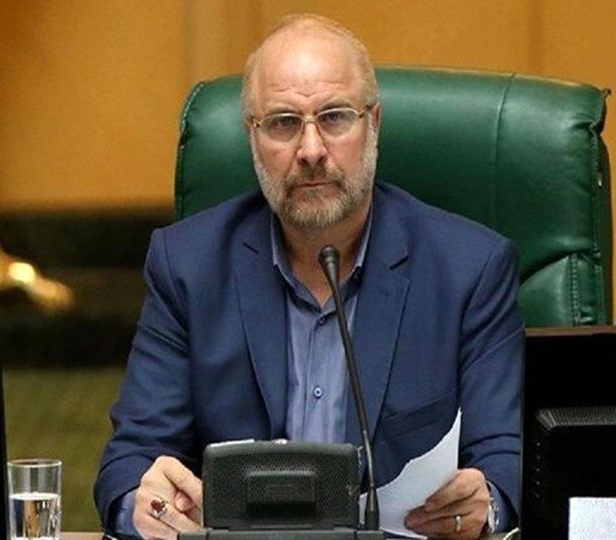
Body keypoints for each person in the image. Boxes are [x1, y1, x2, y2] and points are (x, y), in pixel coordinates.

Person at [95, 14, 522, 540]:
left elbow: (507, 458)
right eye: (283, 123)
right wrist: (142, 505)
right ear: (252, 138)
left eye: (335, 118)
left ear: (374, 125)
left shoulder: (470, 269)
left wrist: (489, 504)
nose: (312, 150)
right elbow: (132, 458)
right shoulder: (187, 265)